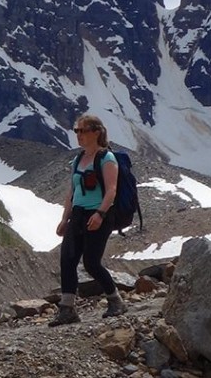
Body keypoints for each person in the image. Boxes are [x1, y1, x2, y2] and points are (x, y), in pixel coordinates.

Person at [50, 114, 128, 326]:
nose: (79, 135)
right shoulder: (78, 159)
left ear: (96, 132)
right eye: (77, 131)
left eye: (83, 131)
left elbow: (111, 190)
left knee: (91, 263)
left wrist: (100, 214)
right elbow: (72, 192)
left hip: (99, 214)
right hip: (78, 214)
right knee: (67, 259)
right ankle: (67, 309)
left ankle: (115, 300)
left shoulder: (106, 158)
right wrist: (64, 219)